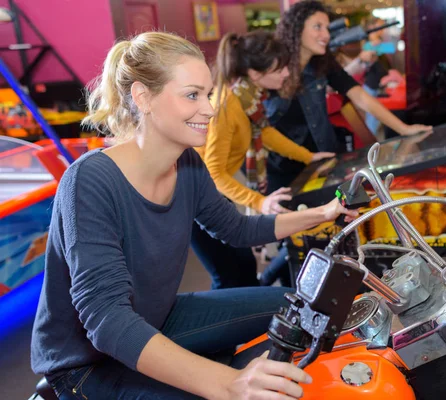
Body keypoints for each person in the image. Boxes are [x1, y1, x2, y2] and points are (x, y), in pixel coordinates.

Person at [30, 31, 356, 399]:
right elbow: (107, 321)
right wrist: (227, 384)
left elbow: (237, 229)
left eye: (208, 94)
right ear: (143, 97)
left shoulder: (188, 164)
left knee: (302, 307)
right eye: (192, 95)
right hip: (86, 364)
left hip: (160, 317)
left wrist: (324, 213)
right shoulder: (89, 181)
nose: (210, 108)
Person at [195, 31, 334, 287]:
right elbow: (213, 173)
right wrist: (260, 202)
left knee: (245, 267)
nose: (285, 74)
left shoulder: (248, 98)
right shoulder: (227, 106)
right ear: (257, 74)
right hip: (192, 197)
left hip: (207, 192)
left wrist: (308, 156)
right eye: (279, 69)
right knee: (227, 276)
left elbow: (265, 133)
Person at [264, 0, 433, 192]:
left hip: (324, 164)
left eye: (327, 28)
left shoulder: (322, 63)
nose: (326, 35)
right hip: (285, 173)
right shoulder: (272, 68)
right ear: (296, 29)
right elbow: (253, 124)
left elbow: (360, 96)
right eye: (317, 27)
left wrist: (404, 129)